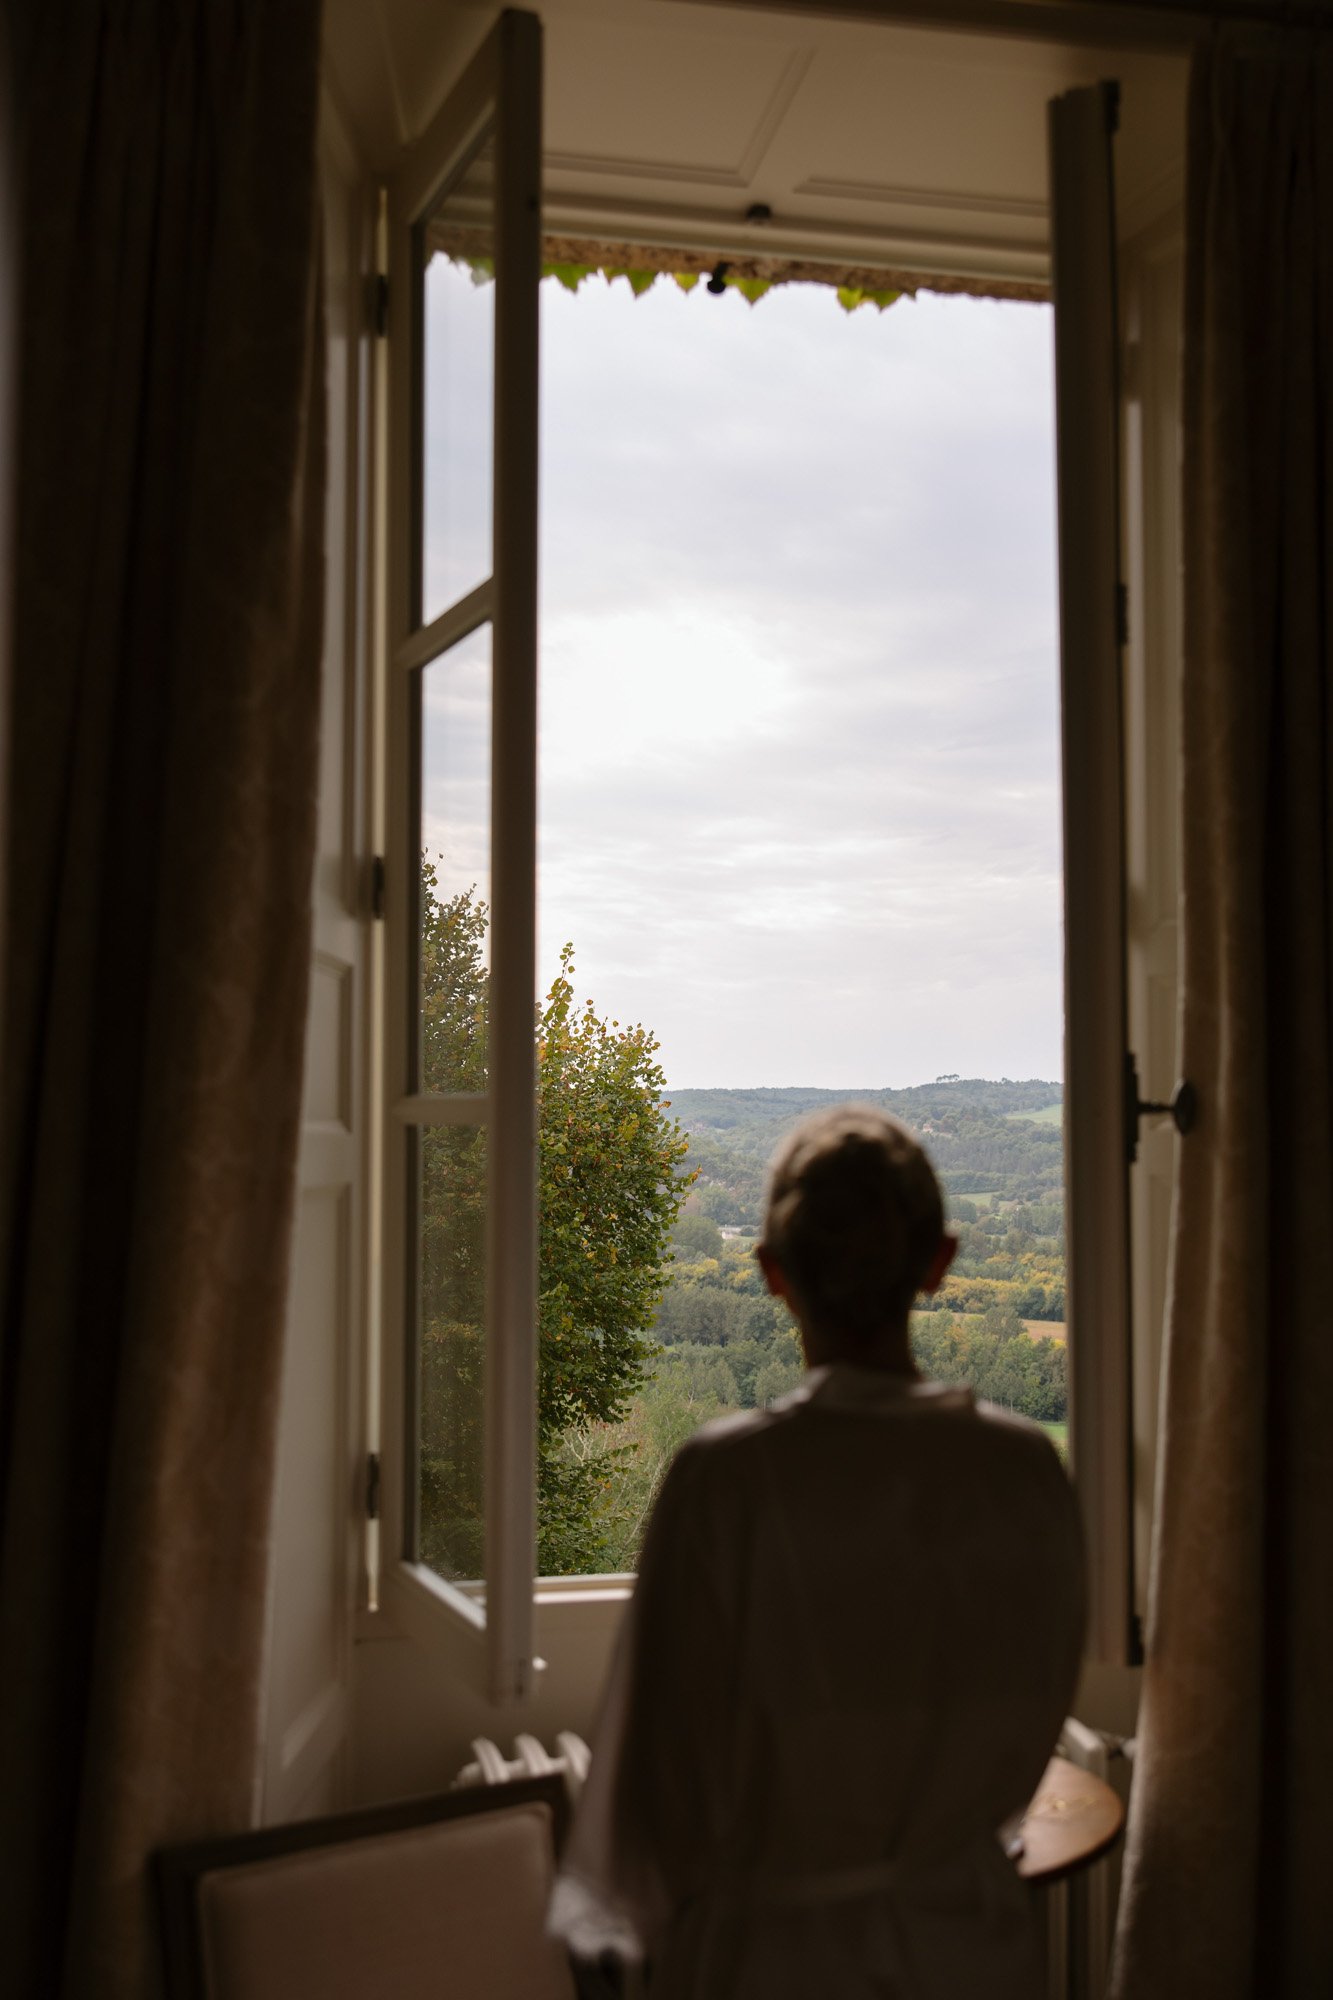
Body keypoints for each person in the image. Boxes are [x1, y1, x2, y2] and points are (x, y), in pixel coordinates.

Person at [550, 1105, 1084, 2000]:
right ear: (940, 1262)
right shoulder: (1023, 1468)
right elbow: (1039, 1694)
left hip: (768, 1961)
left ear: (772, 1274)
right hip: (972, 1953)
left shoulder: (726, 1478)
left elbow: (655, 1776)